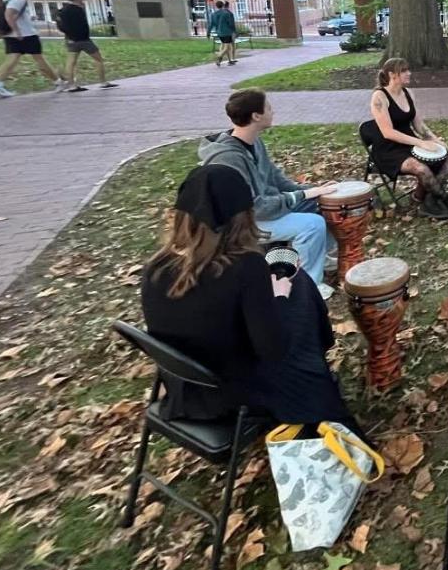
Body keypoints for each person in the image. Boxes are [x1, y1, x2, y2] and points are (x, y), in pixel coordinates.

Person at [141, 164, 359, 433]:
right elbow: (274, 350)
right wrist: (278, 294)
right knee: (298, 286)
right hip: (234, 394)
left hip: (186, 389)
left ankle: (319, 352)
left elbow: (204, 309)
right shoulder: (244, 267)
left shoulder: (157, 266)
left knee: (291, 285)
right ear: (241, 217)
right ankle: (319, 365)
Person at [199, 88, 340, 298]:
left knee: (323, 203)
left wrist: (312, 191)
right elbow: (257, 208)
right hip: (244, 223)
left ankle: (319, 257)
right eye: (269, 108)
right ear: (256, 116)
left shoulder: (253, 141)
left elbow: (275, 178)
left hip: (266, 209)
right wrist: (303, 196)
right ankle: (308, 285)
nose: (273, 112)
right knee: (312, 225)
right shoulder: (228, 158)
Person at [360, 57, 448, 219]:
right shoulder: (379, 97)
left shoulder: (408, 93)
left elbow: (419, 125)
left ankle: (429, 200)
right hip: (388, 148)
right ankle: (446, 199)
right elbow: (388, 132)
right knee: (421, 168)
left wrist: (434, 139)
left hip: (408, 142)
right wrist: (421, 143)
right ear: (392, 74)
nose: (409, 73)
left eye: (408, 70)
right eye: (404, 71)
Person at [0, 0, 67, 97]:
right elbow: (9, 15)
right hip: (26, 35)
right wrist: (17, 31)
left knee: (11, 60)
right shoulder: (19, 0)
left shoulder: (7, 0)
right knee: (40, 59)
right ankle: (58, 82)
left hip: (10, 36)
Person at [56, 0, 117, 92]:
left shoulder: (63, 10)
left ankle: (72, 85)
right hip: (83, 39)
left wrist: (69, 35)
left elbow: (60, 25)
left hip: (71, 39)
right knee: (98, 59)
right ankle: (103, 82)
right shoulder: (78, 10)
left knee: (71, 62)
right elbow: (82, 25)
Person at [208, 1, 237, 67]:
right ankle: (219, 56)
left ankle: (227, 60)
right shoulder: (226, 13)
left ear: (216, 6)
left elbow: (211, 24)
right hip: (227, 32)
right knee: (227, 47)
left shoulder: (213, 14)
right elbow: (230, 23)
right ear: (223, 5)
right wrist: (234, 31)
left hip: (219, 33)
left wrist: (208, 32)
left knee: (225, 45)